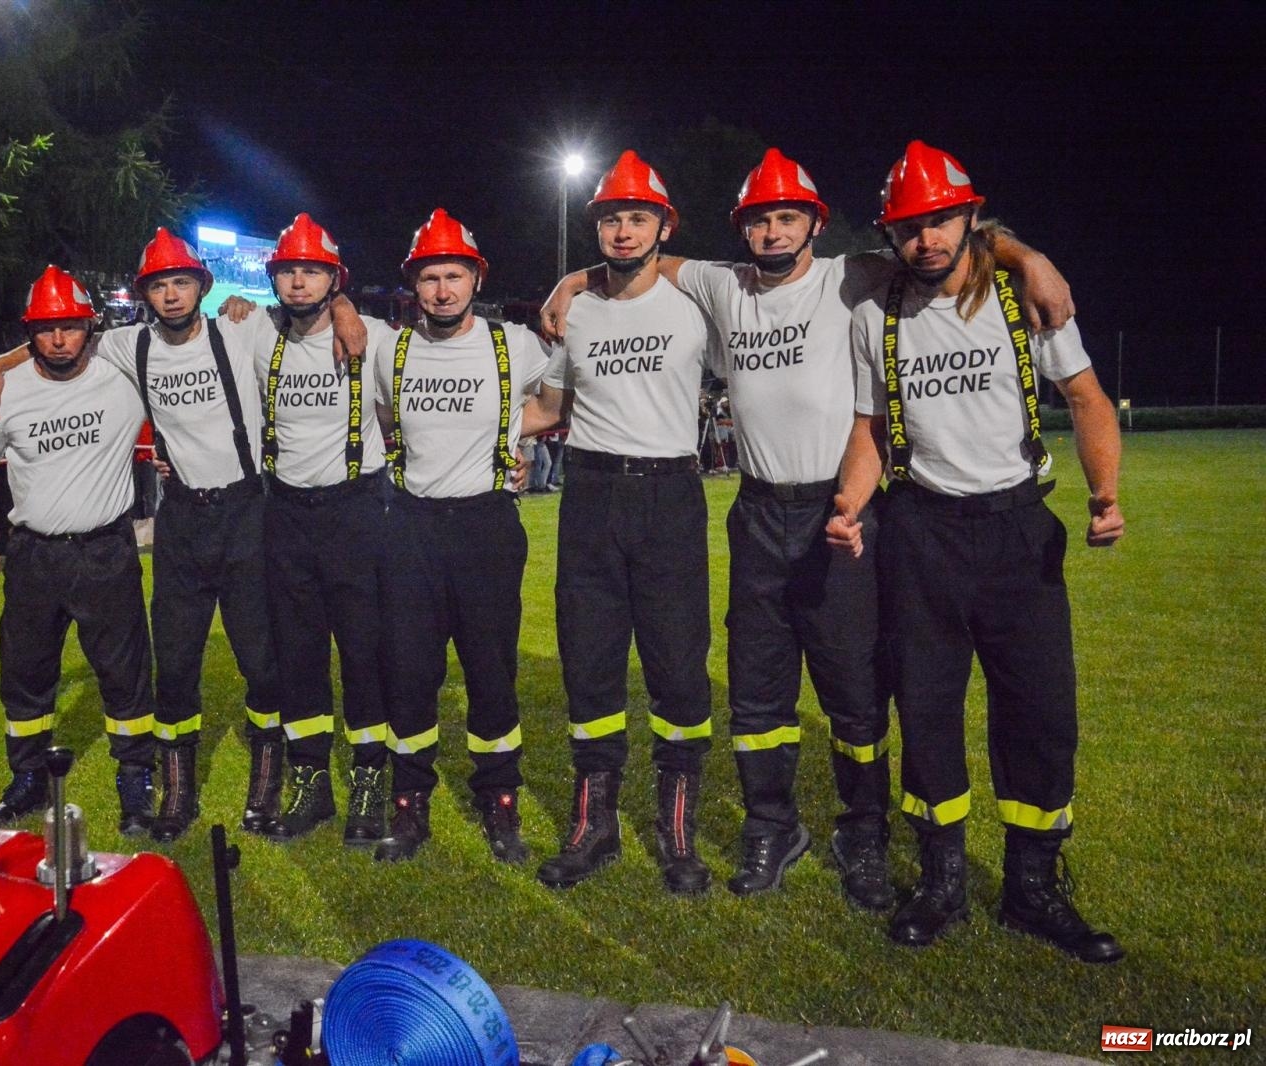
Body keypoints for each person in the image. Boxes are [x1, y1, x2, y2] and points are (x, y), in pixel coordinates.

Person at [542, 147, 1076, 906]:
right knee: (758, 693)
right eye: (758, 220)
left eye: (786, 216)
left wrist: (1030, 256)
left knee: (856, 692)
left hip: (839, 508)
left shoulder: (850, 275)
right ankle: (772, 825)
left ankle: (863, 835)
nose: (771, 231)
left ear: (815, 223)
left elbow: (943, 243)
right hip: (756, 509)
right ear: (742, 230)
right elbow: (642, 258)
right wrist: (572, 279)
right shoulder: (719, 283)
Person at [829, 140, 1124, 961]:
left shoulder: (1020, 296)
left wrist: (1106, 497)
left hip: (1017, 530)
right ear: (892, 235)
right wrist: (851, 503)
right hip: (920, 532)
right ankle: (942, 882)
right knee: (925, 709)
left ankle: (1032, 888)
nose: (925, 239)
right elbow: (871, 431)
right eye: (909, 228)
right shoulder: (873, 313)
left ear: (970, 216)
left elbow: (1088, 399)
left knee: (1040, 712)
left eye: (939, 221)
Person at [0, 228, 365, 841]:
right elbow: (60, 341)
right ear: (145, 295)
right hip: (181, 520)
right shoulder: (126, 346)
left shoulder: (241, 328)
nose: (172, 295)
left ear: (202, 288)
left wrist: (345, 308)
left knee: (261, 661)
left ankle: (266, 779)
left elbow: (309, 305)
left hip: (247, 514)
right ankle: (177, 791)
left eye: (182, 282)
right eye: (160, 286)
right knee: (177, 664)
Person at [522, 152, 718, 894]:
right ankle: (592, 824)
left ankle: (675, 831)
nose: (624, 230)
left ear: (665, 224)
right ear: (595, 228)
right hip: (592, 497)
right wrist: (495, 439)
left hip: (670, 495)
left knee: (676, 664)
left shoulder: (696, 300)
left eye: (638, 216)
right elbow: (548, 407)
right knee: (590, 661)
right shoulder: (578, 309)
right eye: (611, 218)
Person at [369, 209, 549, 864]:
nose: (441, 290)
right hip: (411, 529)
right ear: (413, 284)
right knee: (409, 673)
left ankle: (500, 802)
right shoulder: (390, 349)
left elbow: (555, 405)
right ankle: (409, 805)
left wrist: (506, 439)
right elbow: (386, 418)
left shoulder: (516, 344)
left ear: (476, 277)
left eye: (453, 275)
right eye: (429, 277)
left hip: (487, 527)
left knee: (491, 671)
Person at [0, 265, 158, 836]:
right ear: (32, 333)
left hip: (105, 551)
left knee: (125, 673)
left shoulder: (123, 371)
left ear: (88, 327)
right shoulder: (5, 391)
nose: (58, 340)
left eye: (69, 327)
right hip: (33, 556)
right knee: (24, 672)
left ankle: (135, 779)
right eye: (46, 329)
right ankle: (26, 779)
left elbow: (182, 341)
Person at [247, 214, 392, 845]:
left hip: (357, 510)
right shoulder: (252, 332)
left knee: (364, 651)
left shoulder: (378, 337)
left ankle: (368, 778)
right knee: (298, 655)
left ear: (336, 279)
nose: (299, 282)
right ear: (274, 278)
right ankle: (310, 781)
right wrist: (5, 360)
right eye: (288, 270)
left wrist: (349, 313)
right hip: (284, 513)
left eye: (312, 271)